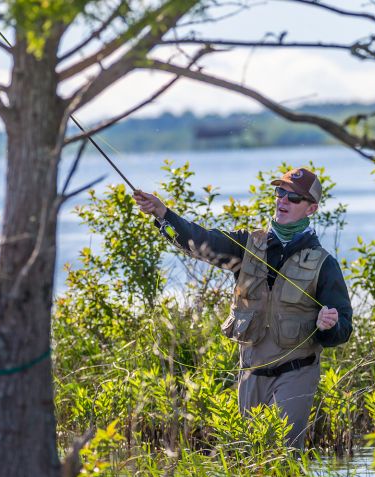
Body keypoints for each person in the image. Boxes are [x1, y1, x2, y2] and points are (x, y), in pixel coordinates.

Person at [133, 167, 353, 449]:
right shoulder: (247, 244)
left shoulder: (325, 263)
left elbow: (343, 327)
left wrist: (330, 325)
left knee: (283, 455)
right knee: (252, 459)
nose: (282, 200)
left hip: (296, 374)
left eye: (293, 198)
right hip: (250, 375)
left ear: (311, 208)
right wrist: (163, 214)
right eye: (280, 192)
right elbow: (200, 242)